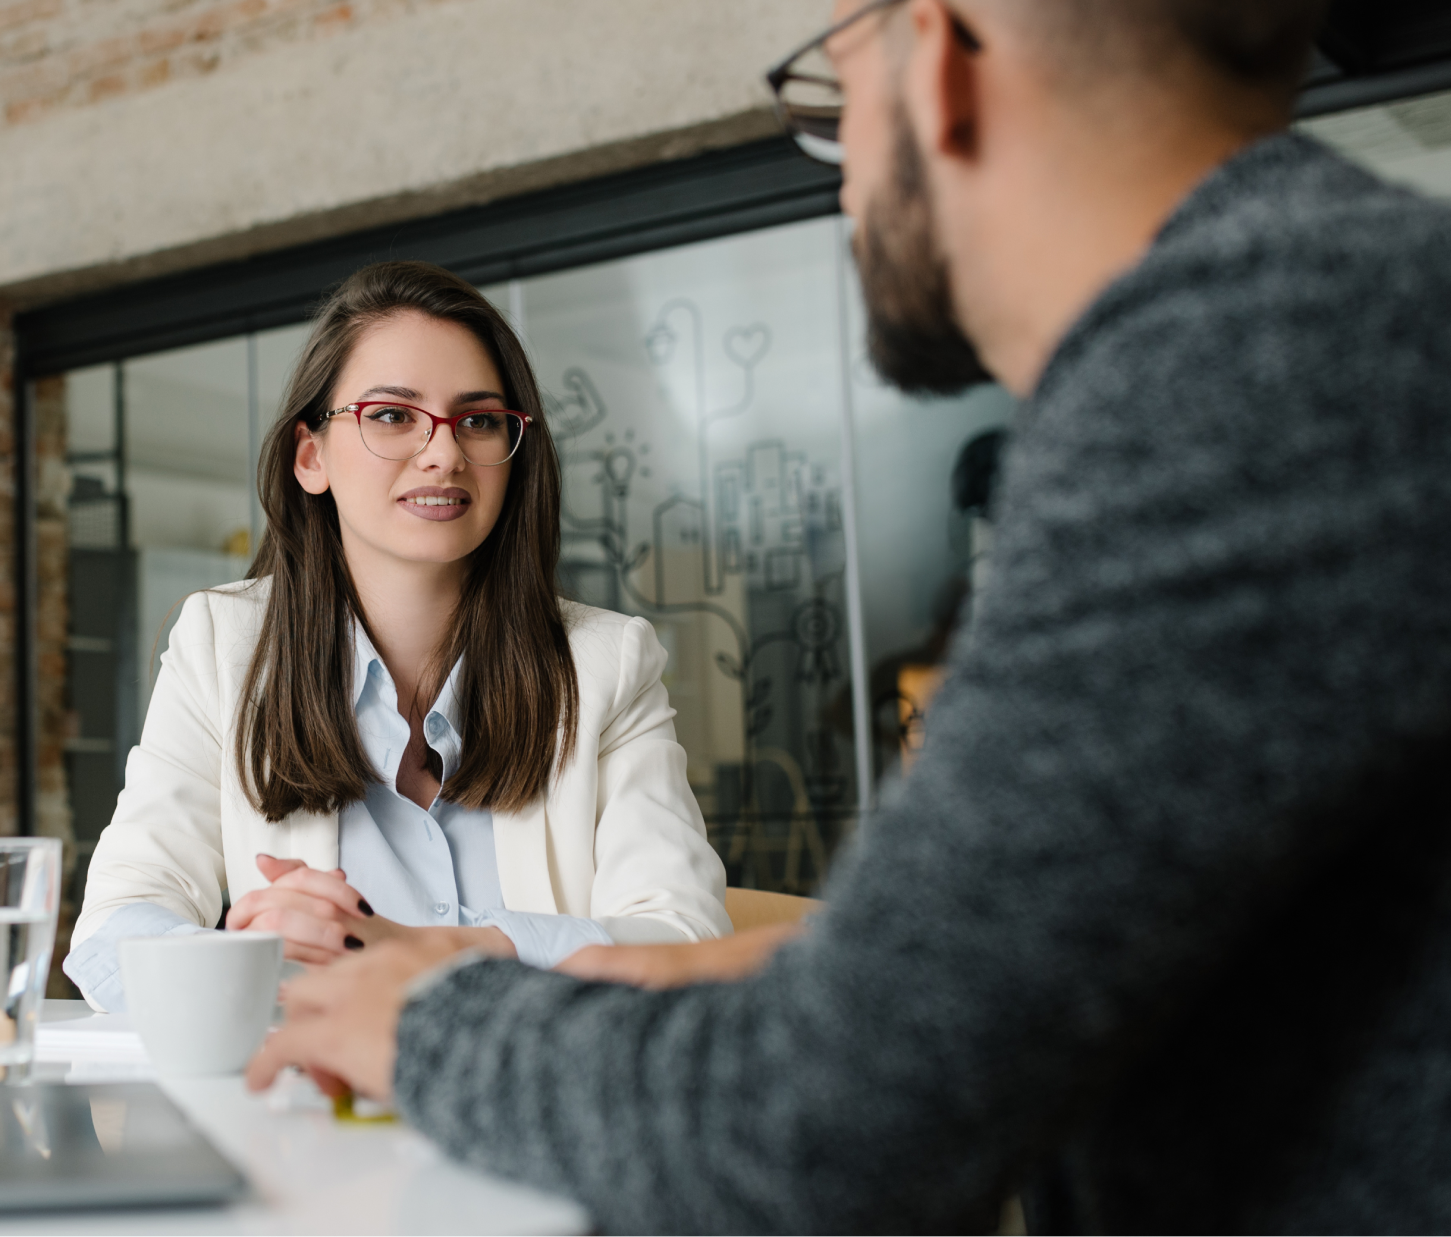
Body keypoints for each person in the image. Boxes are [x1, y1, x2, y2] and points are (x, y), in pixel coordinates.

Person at [248, 1, 1451, 1233]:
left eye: (833, 102)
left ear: (936, 60)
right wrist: (768, 970)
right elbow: (1095, 955)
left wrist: (428, 1015)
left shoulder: (1248, 364)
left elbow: (817, 1127)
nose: (843, 192)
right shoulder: (1323, 316)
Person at [62, 261, 732, 1012]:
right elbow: (115, 926)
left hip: (533, 1109)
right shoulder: (225, 645)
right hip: (309, 1111)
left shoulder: (606, 664)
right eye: (391, 415)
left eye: (478, 419)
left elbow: (687, 941)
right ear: (310, 456)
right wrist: (248, 959)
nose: (444, 452)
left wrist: (437, 952)